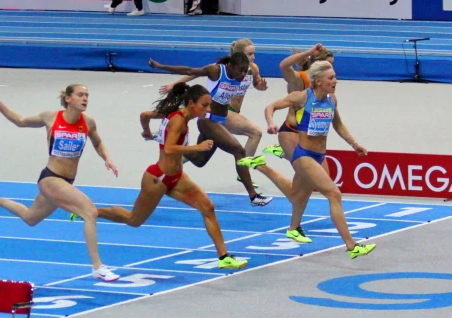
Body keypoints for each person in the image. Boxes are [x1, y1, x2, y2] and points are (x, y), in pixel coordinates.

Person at [86, 83, 247, 269]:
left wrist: (146, 130)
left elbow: (144, 115)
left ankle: (224, 257)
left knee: (208, 207)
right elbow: (169, 149)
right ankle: (91, 212)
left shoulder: (179, 115)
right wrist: (197, 147)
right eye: (204, 105)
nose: (208, 109)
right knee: (134, 220)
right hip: (158, 178)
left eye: (209, 105)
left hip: (177, 177)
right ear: (191, 103)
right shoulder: (178, 120)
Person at [0, 85, 121, 282]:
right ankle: (98, 267)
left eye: (87, 95)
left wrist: (107, 158)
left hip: (66, 181)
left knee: (30, 218)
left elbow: (98, 142)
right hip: (50, 178)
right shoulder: (51, 117)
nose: (85, 98)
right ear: (68, 99)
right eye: (80, 95)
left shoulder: (88, 122)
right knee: (89, 212)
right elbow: (20, 121)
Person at [239, 61, 376, 259]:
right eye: (331, 78)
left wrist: (354, 144)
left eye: (335, 77)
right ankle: (351, 246)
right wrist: (270, 122)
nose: (336, 81)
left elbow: (338, 124)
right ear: (318, 81)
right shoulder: (302, 97)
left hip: (320, 156)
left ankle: (261, 166)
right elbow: (271, 106)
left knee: (297, 196)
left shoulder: (331, 100)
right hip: (303, 155)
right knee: (334, 194)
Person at [148, 52, 272, 206]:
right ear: (231, 66)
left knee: (200, 160)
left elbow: (256, 84)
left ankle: (170, 147)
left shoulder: (244, 76)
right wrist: (161, 66)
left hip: (220, 121)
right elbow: (189, 71)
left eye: (245, 70)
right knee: (239, 151)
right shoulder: (216, 72)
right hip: (208, 121)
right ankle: (254, 196)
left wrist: (260, 86)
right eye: (240, 70)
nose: (243, 74)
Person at [264, 43, 335, 161]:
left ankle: (284, 153)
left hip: (310, 134)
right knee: (305, 172)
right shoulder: (300, 79)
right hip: (292, 131)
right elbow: (284, 66)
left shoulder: (326, 83)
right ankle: (262, 165)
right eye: (329, 65)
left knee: (310, 175)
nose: (332, 69)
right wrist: (309, 53)